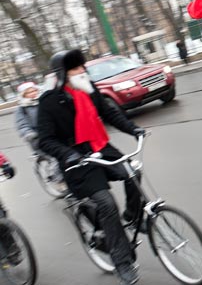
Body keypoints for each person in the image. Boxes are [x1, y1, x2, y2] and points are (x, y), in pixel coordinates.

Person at [37, 49, 146, 285]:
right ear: (63, 73)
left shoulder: (90, 88)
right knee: (107, 204)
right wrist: (67, 154)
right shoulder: (49, 102)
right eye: (75, 68)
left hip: (101, 148)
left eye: (81, 67)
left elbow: (110, 114)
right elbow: (44, 140)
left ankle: (133, 215)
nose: (81, 71)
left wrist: (133, 128)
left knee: (134, 173)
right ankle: (122, 262)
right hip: (78, 160)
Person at [14, 82, 42, 152]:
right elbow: (22, 124)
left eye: (34, 91)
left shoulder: (44, 101)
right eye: (29, 93)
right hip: (38, 138)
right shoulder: (22, 108)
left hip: (54, 133)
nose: (33, 93)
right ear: (23, 95)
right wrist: (29, 133)